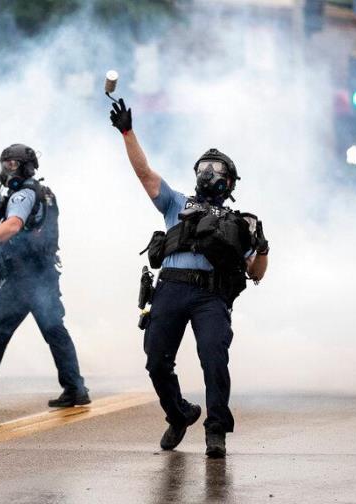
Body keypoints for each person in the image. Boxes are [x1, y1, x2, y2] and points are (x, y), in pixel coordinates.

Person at [110, 99, 269, 458]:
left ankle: (216, 431)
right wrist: (127, 132)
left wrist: (262, 245)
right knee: (155, 360)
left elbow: (255, 273)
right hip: (170, 288)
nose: (208, 173)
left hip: (210, 298)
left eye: (216, 169)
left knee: (214, 359)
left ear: (228, 181)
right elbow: (144, 173)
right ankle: (179, 413)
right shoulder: (176, 202)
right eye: (204, 167)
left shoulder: (239, 223)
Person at [0, 144, 90, 409]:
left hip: (22, 278)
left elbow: (13, 225)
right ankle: (75, 388)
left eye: (12, 164)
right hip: (42, 275)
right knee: (53, 331)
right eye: (5, 163)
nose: (6, 169)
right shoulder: (43, 192)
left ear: (25, 166)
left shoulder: (22, 195)